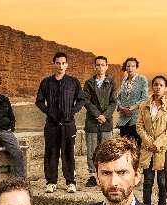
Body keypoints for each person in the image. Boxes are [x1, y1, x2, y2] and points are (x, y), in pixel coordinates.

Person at [35, 52, 86, 194]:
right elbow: (39, 101)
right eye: (58, 63)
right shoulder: (46, 82)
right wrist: (49, 112)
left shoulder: (73, 82)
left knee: (68, 153)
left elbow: (81, 100)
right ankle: (51, 182)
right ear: (54, 64)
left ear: (67, 65)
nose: (61, 66)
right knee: (51, 153)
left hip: (68, 124)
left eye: (63, 63)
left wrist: (72, 112)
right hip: (51, 125)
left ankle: (71, 182)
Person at [137, 75, 167, 205]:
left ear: (165, 88)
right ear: (152, 87)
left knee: (162, 181)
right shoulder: (144, 105)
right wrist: (149, 143)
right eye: (155, 85)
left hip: (162, 149)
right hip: (147, 148)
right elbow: (139, 126)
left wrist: (157, 144)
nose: (158, 87)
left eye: (161, 85)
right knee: (147, 181)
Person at [83, 56, 118, 188]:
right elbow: (86, 101)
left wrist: (105, 116)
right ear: (95, 67)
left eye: (103, 65)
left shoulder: (111, 82)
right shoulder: (89, 83)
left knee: (107, 150)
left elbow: (113, 102)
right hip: (92, 122)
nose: (100, 67)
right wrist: (97, 115)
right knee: (92, 149)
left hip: (106, 122)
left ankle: (106, 176)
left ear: (106, 67)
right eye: (98, 65)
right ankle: (93, 175)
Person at [116, 57, 148, 148]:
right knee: (125, 148)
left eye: (133, 66)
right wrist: (121, 108)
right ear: (125, 67)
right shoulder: (124, 81)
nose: (130, 68)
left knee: (137, 147)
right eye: (128, 66)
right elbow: (118, 97)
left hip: (136, 120)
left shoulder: (142, 79)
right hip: (123, 120)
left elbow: (145, 98)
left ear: (136, 67)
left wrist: (131, 108)